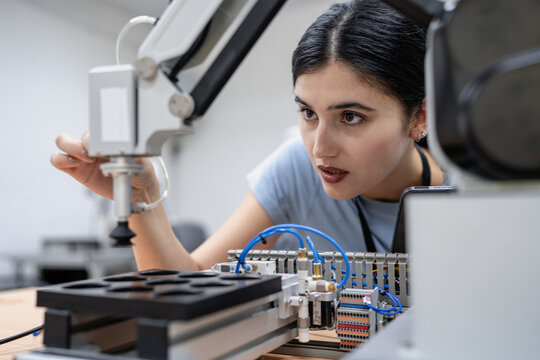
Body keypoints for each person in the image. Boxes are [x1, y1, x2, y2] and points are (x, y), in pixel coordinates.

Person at [51, 0, 445, 271]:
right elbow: (192, 282)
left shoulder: (472, 193)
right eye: (308, 113)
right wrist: (142, 200)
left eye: (351, 117)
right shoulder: (297, 169)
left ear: (419, 116)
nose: (320, 148)